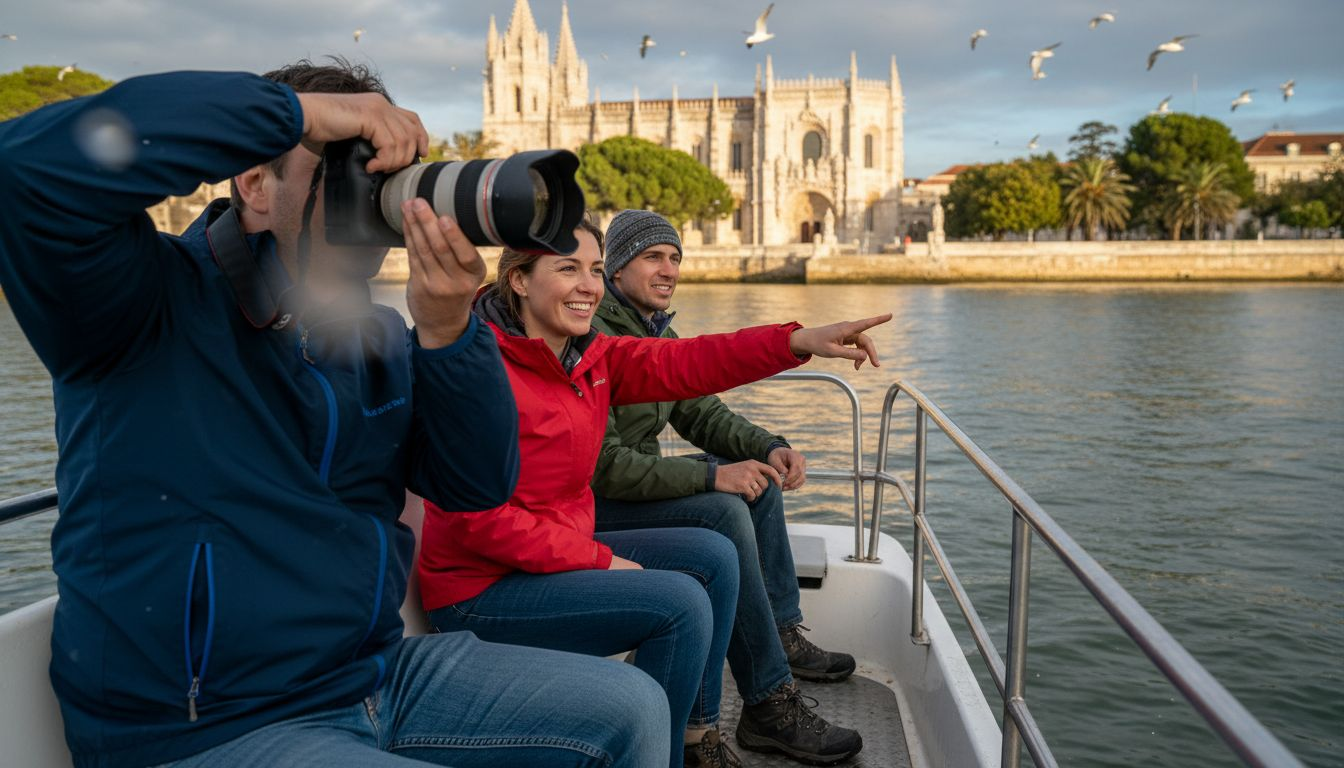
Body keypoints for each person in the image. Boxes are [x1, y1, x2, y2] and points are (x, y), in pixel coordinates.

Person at [0, 60, 668, 767]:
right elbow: (24, 172)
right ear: (255, 185)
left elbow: (476, 483)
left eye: (386, 171)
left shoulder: (375, 336)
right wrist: (296, 114)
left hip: (375, 678)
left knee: (631, 707)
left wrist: (448, 332)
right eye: (348, 162)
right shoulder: (140, 301)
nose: (373, 196)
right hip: (209, 723)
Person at [418, 219, 886, 768]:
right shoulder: (476, 370)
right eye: (568, 269)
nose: (588, 285)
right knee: (680, 603)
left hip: (553, 552)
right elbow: (478, 521)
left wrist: (795, 340)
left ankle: (696, 738)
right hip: (481, 588)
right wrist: (599, 559)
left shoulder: (588, 357)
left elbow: (690, 363)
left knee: (714, 556)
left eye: (593, 270)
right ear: (519, 280)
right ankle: (660, 754)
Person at [589, 210, 862, 764]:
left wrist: (766, 446)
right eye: (652, 257)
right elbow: (604, 467)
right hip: (597, 504)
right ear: (615, 270)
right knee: (725, 508)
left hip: (625, 489)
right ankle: (767, 701)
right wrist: (715, 476)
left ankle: (779, 633)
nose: (669, 270)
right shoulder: (596, 336)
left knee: (757, 483)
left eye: (675, 258)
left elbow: (704, 412)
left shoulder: (651, 328)